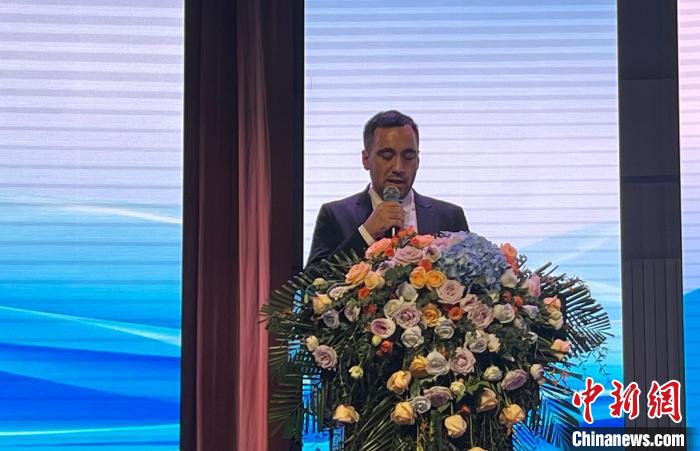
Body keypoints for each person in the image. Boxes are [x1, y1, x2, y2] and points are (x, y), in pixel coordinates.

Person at [307, 110, 469, 267]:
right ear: (366, 159)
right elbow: (310, 281)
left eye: (408, 157)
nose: (398, 167)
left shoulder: (450, 217)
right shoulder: (335, 216)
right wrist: (366, 234)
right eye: (387, 156)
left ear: (418, 161)